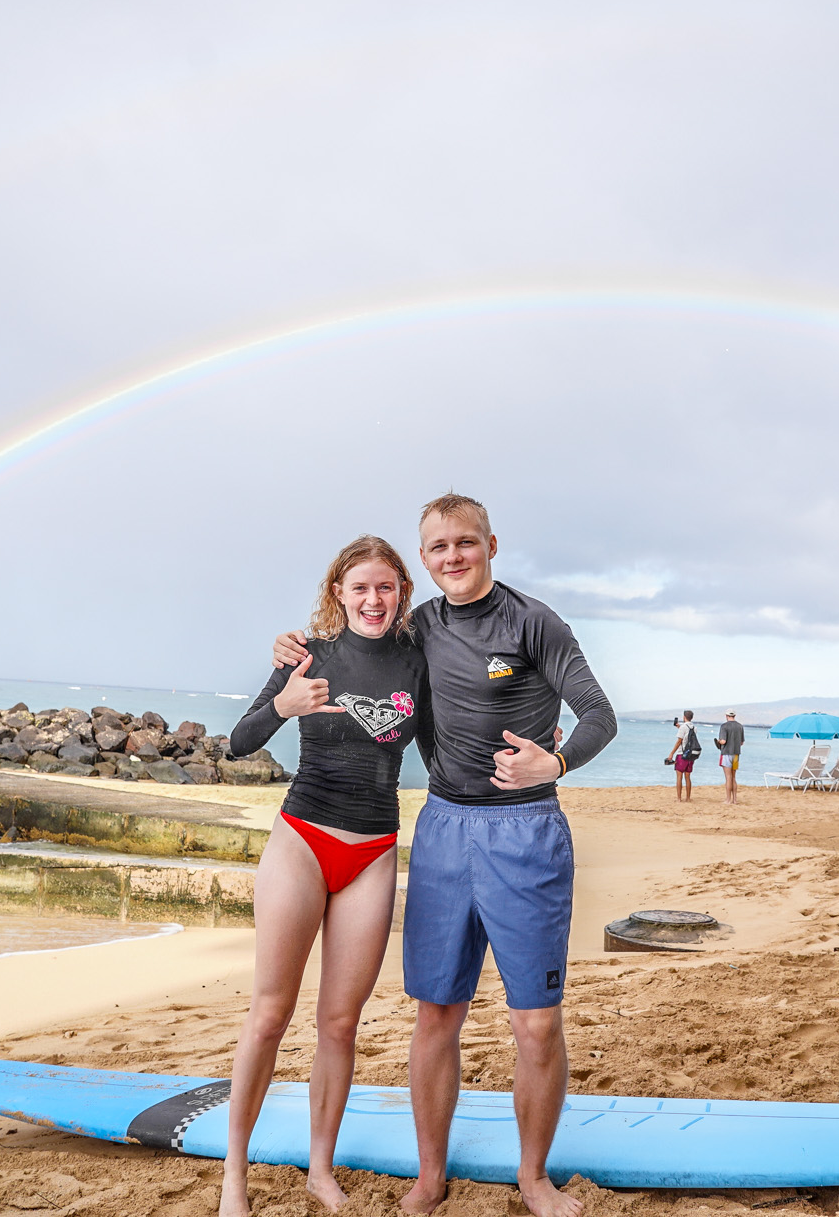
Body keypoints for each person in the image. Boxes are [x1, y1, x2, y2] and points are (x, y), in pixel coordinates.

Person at [274, 493, 616, 1217]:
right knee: (436, 1014)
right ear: (423, 560)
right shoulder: (416, 628)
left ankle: (533, 1179)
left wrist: (554, 764)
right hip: (442, 831)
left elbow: (600, 714)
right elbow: (351, 650)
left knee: (535, 1022)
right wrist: (291, 653)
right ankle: (431, 1177)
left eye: (466, 542)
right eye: (438, 548)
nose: (453, 556)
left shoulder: (533, 621)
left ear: (491, 543)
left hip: (526, 832)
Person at [218, 536, 434, 1217]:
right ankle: (234, 1174)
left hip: (373, 851)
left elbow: (449, 741)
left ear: (401, 593)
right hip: (302, 841)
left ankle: (319, 1166)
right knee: (269, 1014)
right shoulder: (308, 654)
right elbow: (239, 740)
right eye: (360, 587)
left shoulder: (415, 661)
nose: (374, 599)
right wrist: (286, 703)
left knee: (339, 1022)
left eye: (386, 587)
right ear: (338, 591)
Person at [666, 710, 698, 801]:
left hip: (682, 754)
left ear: (684, 717)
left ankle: (679, 798)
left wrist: (671, 753)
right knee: (688, 777)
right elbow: (688, 737)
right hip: (691, 755)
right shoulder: (694, 727)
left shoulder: (683, 727)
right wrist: (679, 727)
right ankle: (688, 798)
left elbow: (679, 741)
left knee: (679, 776)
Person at [716, 710, 745, 805]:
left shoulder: (724, 726)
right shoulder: (740, 726)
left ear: (726, 716)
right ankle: (735, 799)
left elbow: (723, 741)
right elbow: (741, 742)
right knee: (733, 777)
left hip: (726, 753)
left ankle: (728, 800)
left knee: (728, 777)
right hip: (736, 754)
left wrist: (719, 741)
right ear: (735, 715)